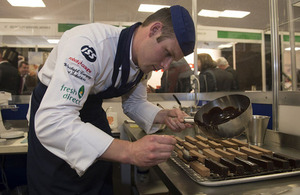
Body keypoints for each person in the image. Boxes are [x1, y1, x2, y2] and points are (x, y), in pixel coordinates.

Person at [27, 5, 195, 195]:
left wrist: (162, 115)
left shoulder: (143, 63)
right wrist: (130, 151)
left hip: (91, 113)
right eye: (167, 53)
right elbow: (54, 120)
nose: (164, 66)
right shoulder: (89, 44)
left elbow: (134, 103)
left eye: (172, 60)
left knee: (98, 184)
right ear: (154, 29)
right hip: (53, 118)